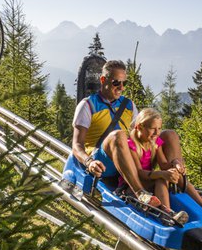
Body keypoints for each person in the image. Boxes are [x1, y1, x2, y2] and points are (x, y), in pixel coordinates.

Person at [71, 60, 177, 207]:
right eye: (116, 83)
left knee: (169, 135)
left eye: (124, 83)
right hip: (102, 160)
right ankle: (140, 192)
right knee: (118, 135)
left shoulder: (129, 105)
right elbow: (76, 145)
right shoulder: (88, 105)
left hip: (128, 158)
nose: (121, 87)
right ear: (103, 80)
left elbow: (139, 135)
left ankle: (181, 183)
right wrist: (89, 162)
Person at [127, 108, 202, 220]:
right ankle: (166, 214)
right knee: (161, 178)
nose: (157, 133)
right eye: (152, 129)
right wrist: (162, 174)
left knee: (173, 173)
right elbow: (140, 173)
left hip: (149, 179)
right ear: (140, 127)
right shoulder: (131, 145)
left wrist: (175, 164)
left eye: (159, 129)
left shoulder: (155, 142)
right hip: (135, 186)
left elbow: (164, 164)